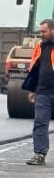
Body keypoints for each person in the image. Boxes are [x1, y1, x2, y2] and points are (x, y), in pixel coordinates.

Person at [23, 18, 54, 166]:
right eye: (40, 31)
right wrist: (32, 89)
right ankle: (39, 154)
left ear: (53, 30)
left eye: (44, 31)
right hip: (42, 92)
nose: (41, 34)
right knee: (40, 123)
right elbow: (35, 69)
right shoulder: (40, 47)